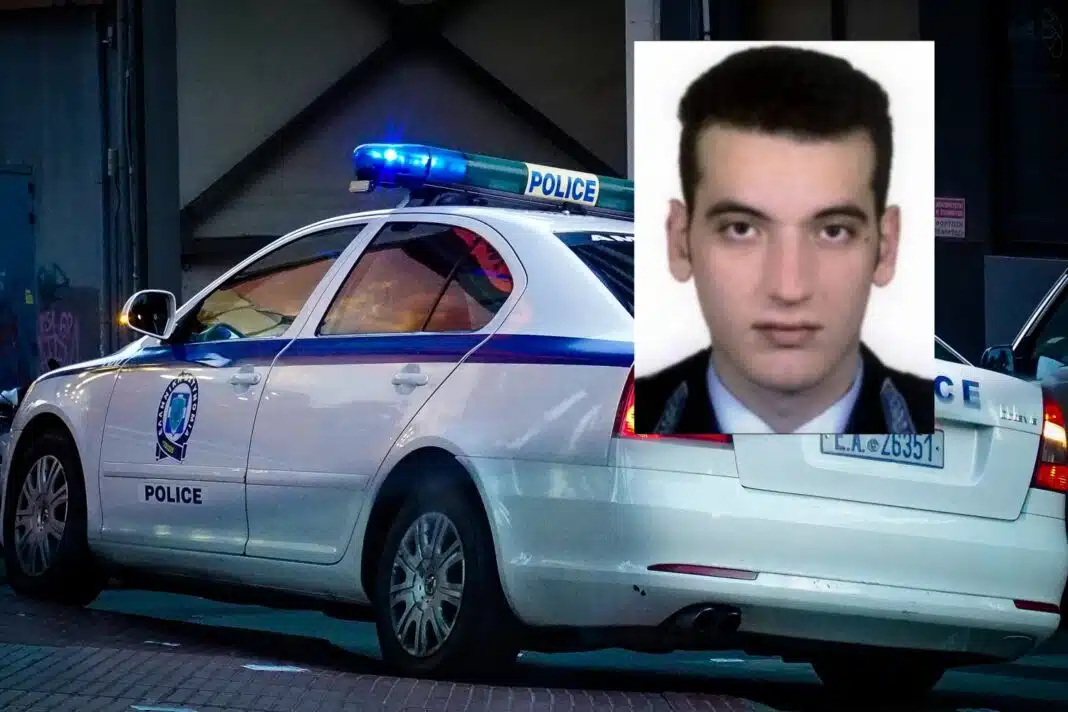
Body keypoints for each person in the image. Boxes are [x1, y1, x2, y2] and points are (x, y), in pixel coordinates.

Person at [635, 45, 933, 436]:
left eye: (833, 231)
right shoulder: (622, 418)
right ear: (679, 242)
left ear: (887, 247)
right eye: (741, 229)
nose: (789, 289)